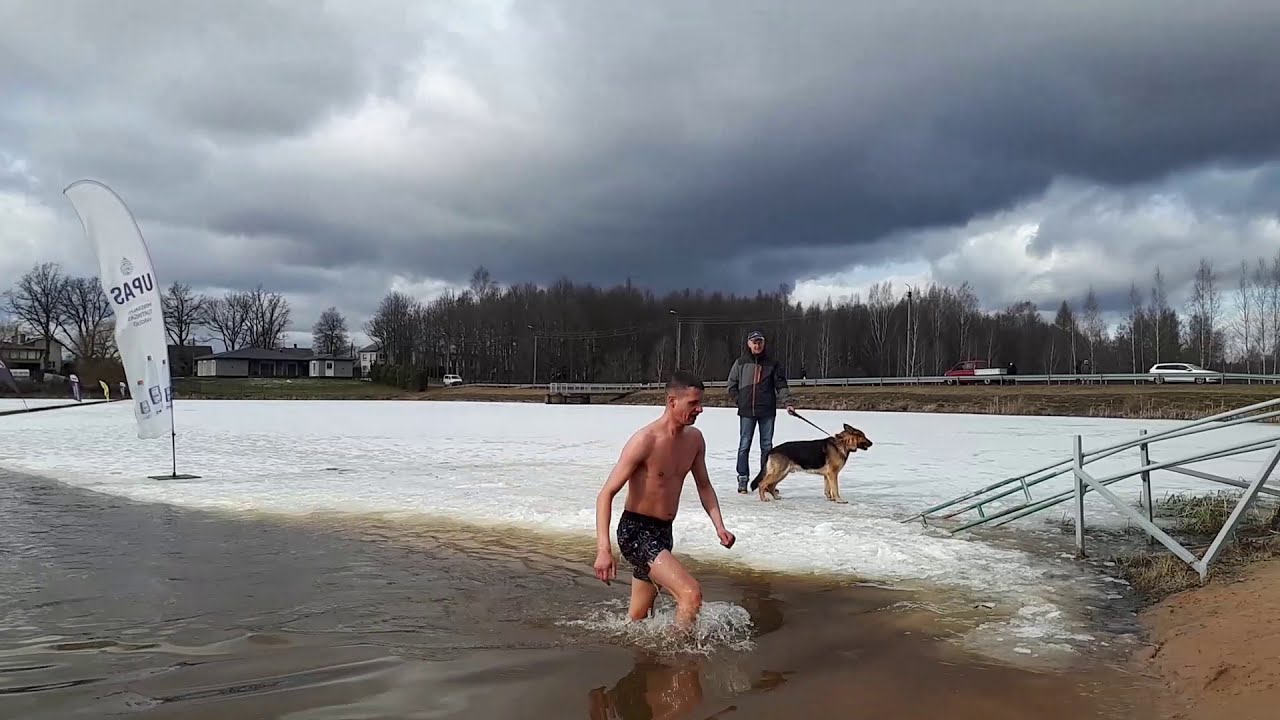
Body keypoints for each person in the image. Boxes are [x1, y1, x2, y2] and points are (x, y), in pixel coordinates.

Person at [593, 370, 736, 632]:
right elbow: (606, 495)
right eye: (693, 403)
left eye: (700, 403)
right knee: (690, 595)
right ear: (672, 402)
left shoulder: (694, 440)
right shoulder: (645, 440)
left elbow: (704, 485)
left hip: (663, 533)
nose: (700, 409)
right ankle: (680, 663)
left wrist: (719, 526)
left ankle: (643, 662)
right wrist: (604, 549)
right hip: (635, 531)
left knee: (638, 620)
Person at [726, 330, 795, 494]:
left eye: (760, 342)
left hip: (767, 411)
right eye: (754, 342)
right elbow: (731, 385)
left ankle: (766, 481)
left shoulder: (773, 363)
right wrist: (739, 400)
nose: (757, 345)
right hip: (747, 411)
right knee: (744, 446)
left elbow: (781, 385)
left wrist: (787, 403)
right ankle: (742, 479)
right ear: (749, 344)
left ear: (763, 344)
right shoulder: (740, 363)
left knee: (767, 447)